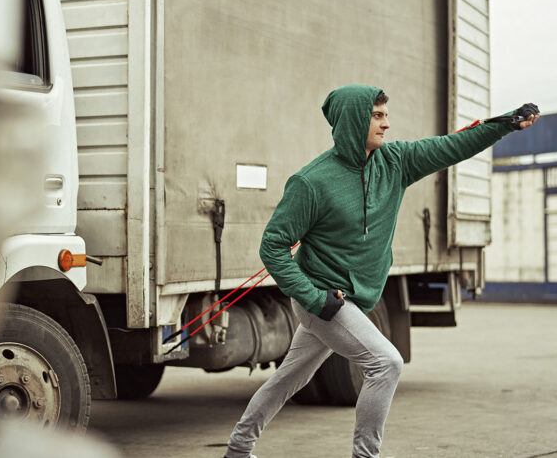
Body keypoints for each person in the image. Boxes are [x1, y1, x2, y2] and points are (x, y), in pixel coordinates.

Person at [223, 84, 539, 458]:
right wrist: (312, 297)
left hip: (351, 299)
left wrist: (504, 124)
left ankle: (238, 449)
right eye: (377, 116)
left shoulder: (396, 162)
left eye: (386, 115)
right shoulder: (311, 182)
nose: (386, 124)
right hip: (323, 300)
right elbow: (272, 247)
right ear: (354, 120)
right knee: (385, 364)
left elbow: (452, 146)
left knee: (289, 378)